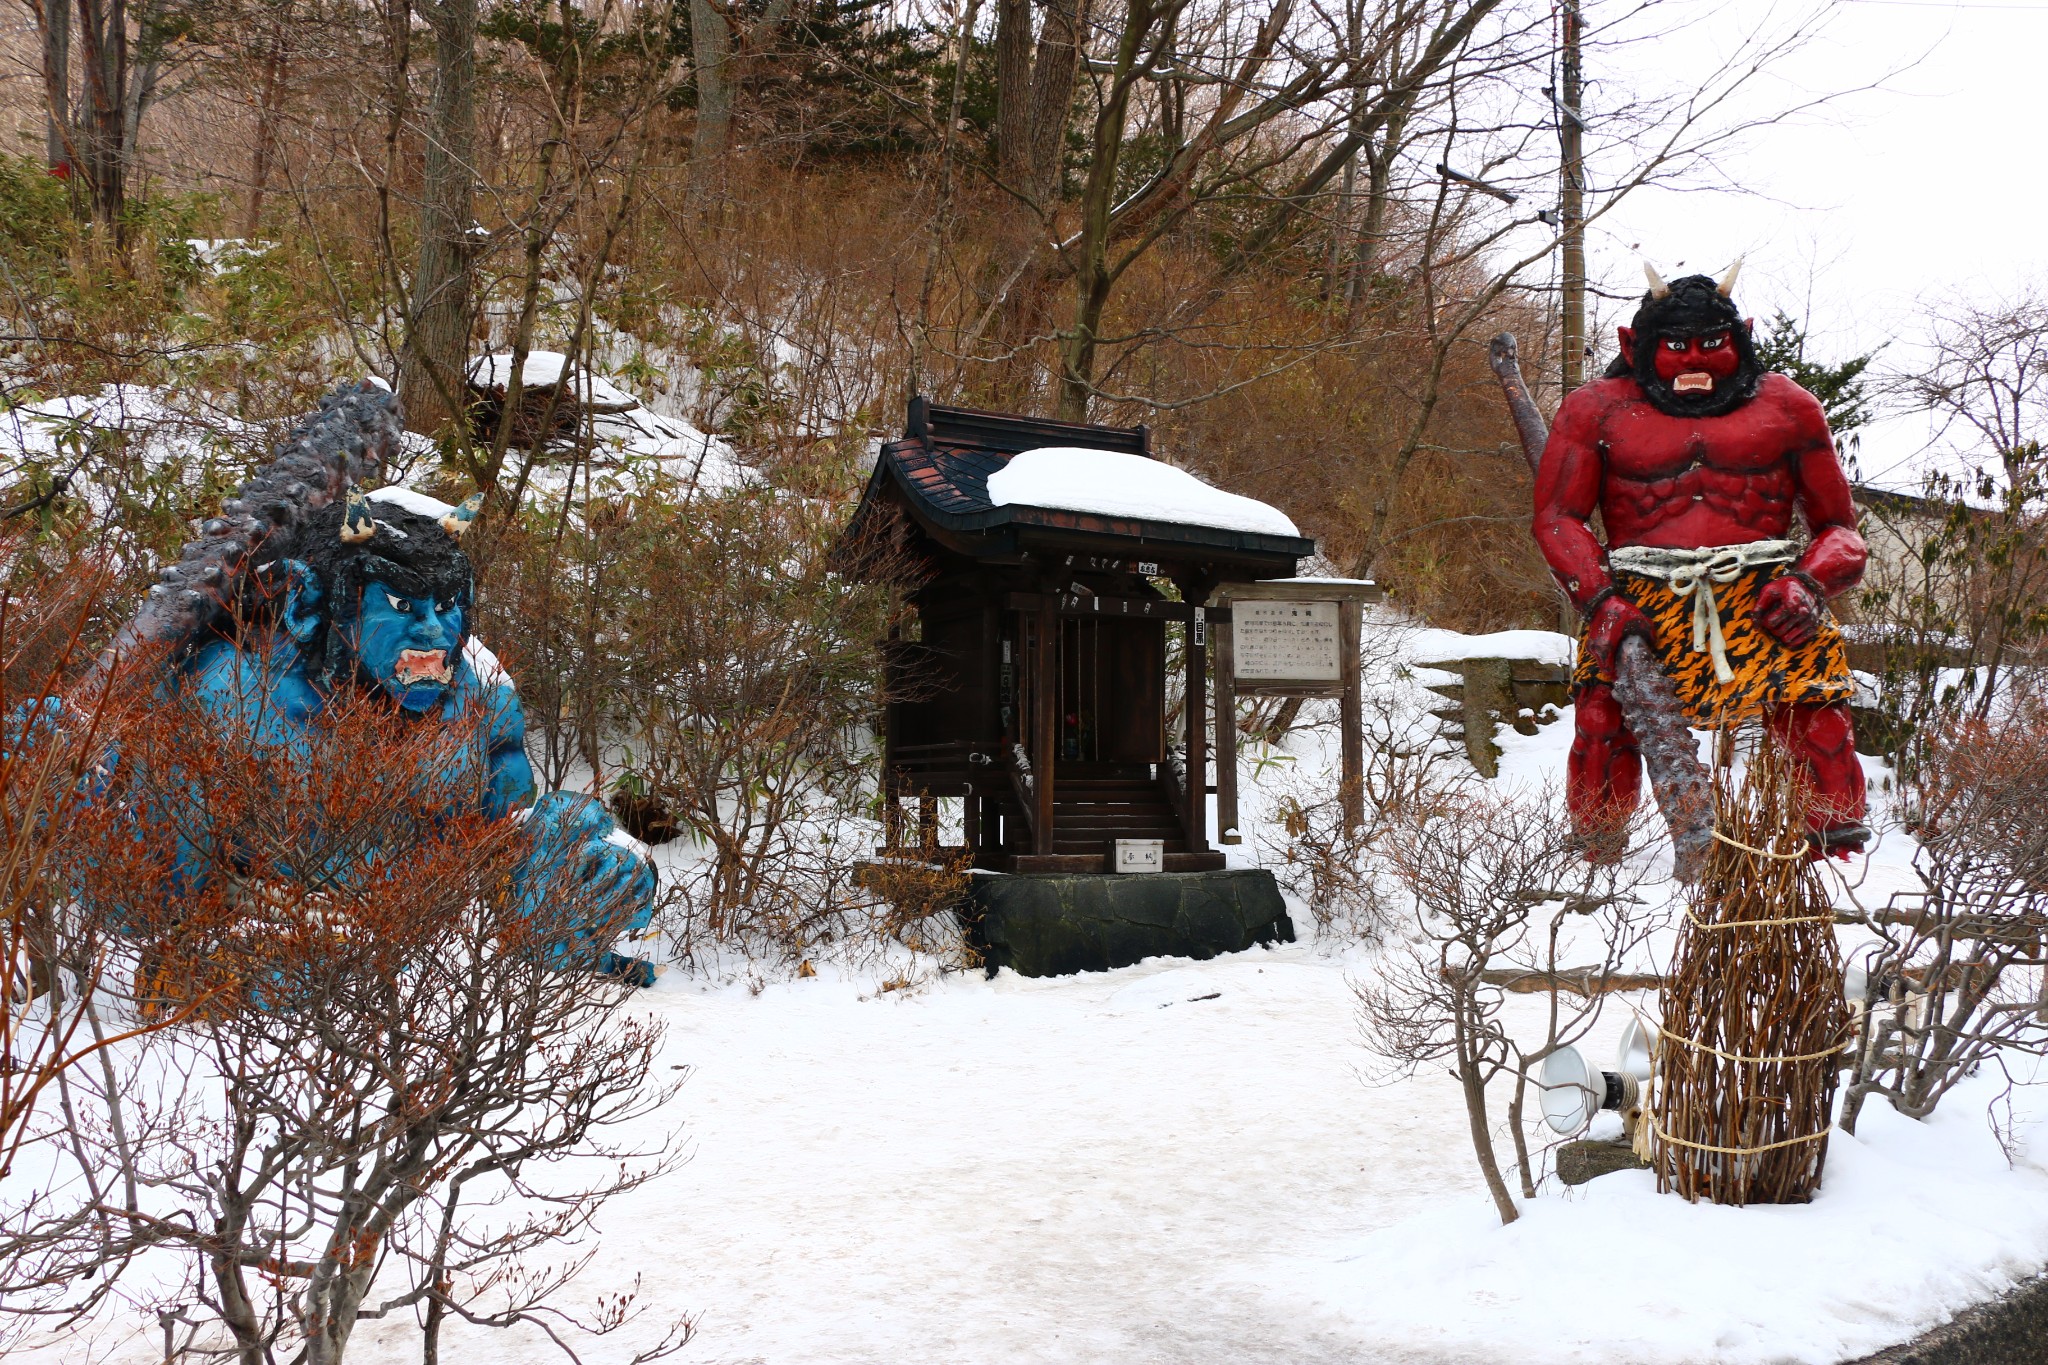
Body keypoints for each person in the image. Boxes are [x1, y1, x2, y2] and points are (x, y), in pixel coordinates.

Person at [1532, 261, 1868, 854]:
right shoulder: (1596, 408)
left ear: (1743, 338)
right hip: (1639, 596)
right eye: (1676, 345)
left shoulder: (1789, 406)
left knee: (1816, 715)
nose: (1695, 360)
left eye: (1713, 344)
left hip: (1768, 592)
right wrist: (1600, 599)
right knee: (1602, 722)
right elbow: (1558, 518)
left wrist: (1809, 584)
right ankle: (1597, 853)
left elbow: (1841, 529)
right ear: (1634, 345)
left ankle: (1831, 842)